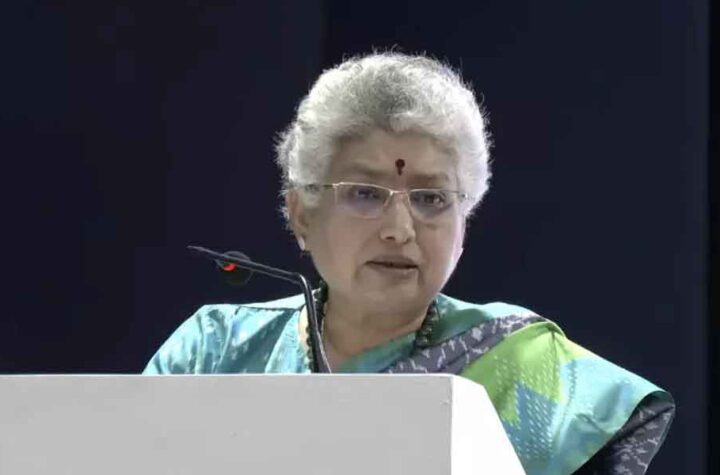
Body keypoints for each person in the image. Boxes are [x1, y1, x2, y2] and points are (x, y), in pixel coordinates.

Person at [143, 52, 674, 474]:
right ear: (302, 214)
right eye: (365, 194)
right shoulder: (217, 350)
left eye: (431, 199)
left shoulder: (525, 364)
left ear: (464, 225)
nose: (400, 229)